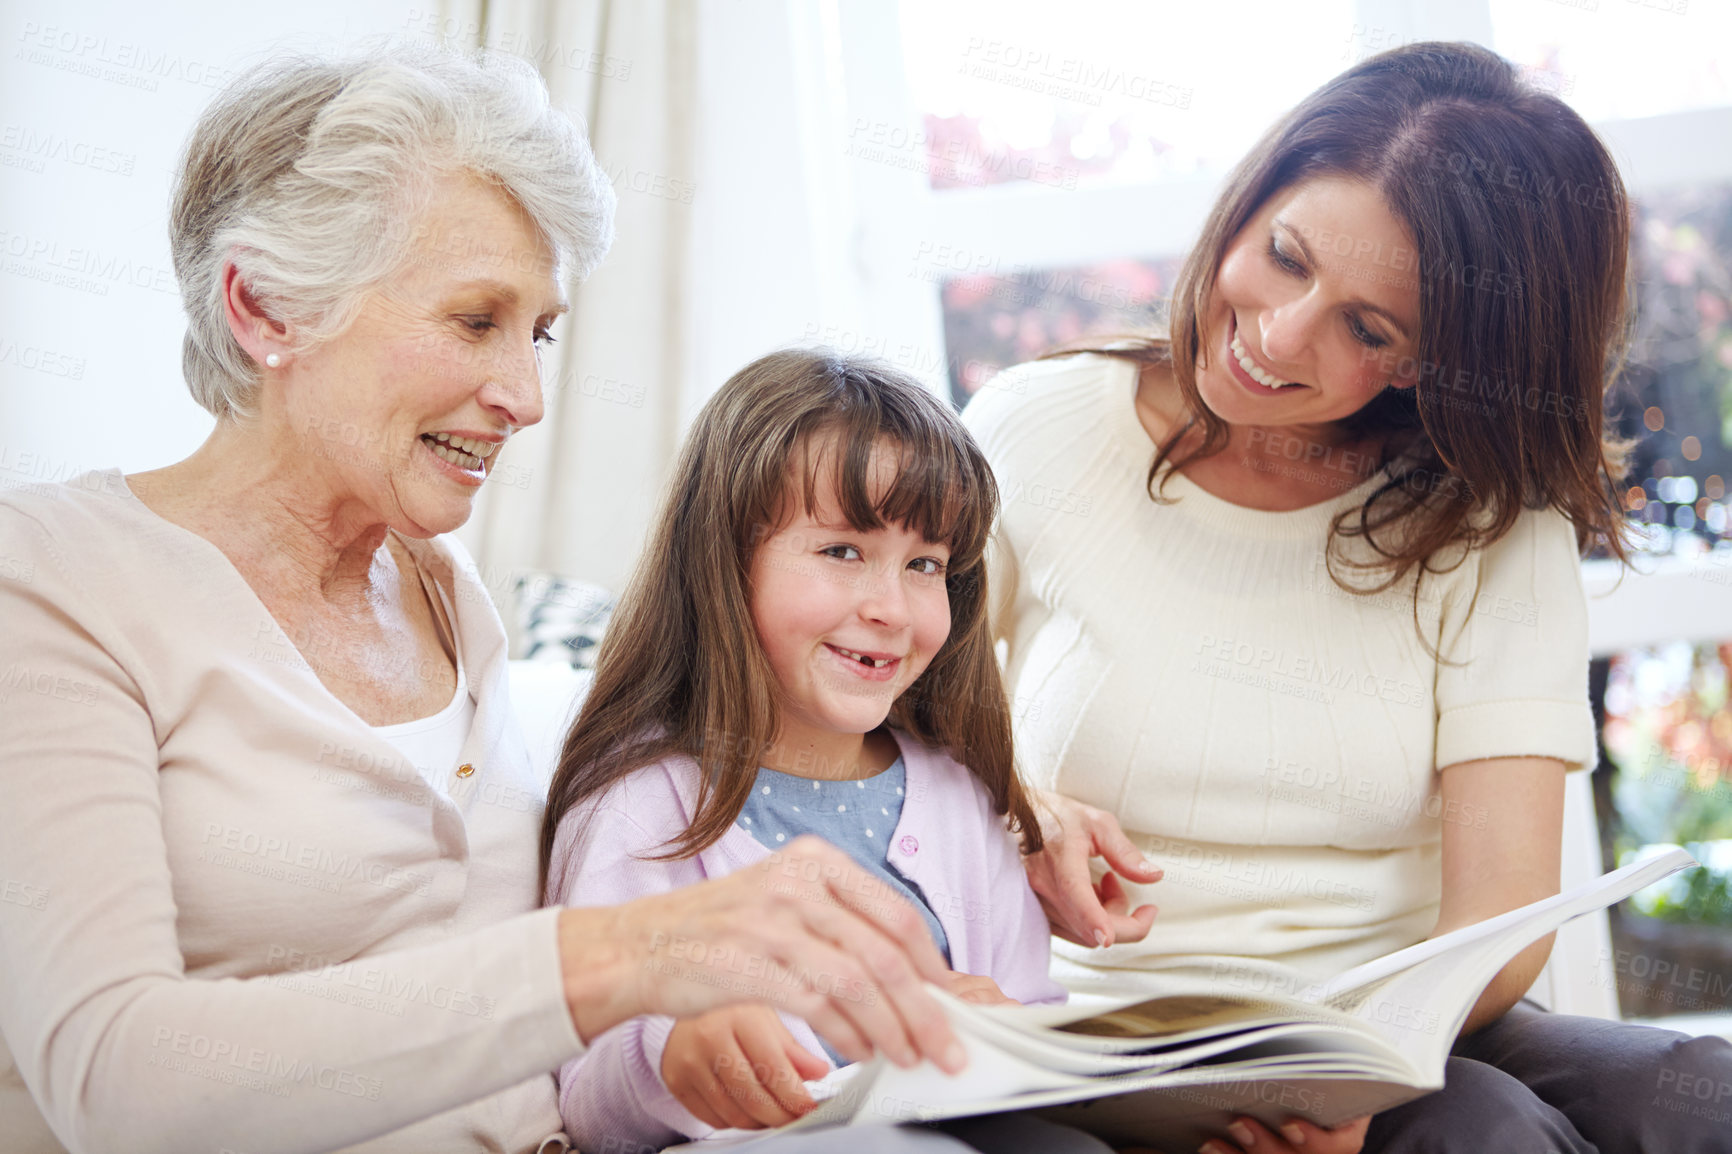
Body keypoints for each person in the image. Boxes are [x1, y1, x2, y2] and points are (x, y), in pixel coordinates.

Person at [0, 46, 973, 1154]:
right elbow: (116, 1081)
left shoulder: (441, 591)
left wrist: (993, 817)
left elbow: (498, 987)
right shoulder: (50, 581)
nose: (525, 396)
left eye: (542, 332)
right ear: (264, 307)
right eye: (476, 321)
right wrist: (625, 955)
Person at [962, 40, 1732, 1154]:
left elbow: (1496, 920)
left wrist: (1342, 1079)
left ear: (1443, 362)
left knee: (1683, 1090)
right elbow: (880, 730)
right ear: (1254, 197)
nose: (1279, 333)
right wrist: (1017, 806)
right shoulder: (1037, 428)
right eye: (1283, 256)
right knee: (1492, 1131)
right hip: (1087, 1030)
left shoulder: (1487, 517)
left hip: (1382, 1030)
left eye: (1368, 328)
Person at [541, 349, 1114, 1154]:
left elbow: (1031, 1021)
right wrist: (669, 1061)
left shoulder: (956, 797)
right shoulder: (643, 803)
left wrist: (1010, 1037)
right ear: (723, 561)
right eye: (843, 551)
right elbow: (586, 1098)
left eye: (925, 565)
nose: (890, 607)